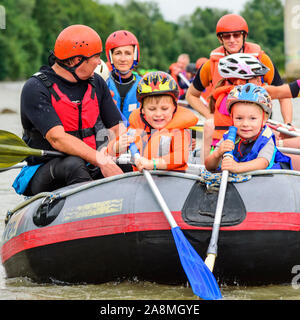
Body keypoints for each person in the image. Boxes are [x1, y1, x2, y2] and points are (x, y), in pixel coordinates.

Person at [13, 24, 127, 196]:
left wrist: (111, 149)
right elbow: (58, 139)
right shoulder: (36, 88)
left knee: (124, 164)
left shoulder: (97, 83)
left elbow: (117, 128)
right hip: (46, 169)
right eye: (95, 57)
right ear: (76, 61)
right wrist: (101, 160)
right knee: (73, 165)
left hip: (92, 162)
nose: (99, 63)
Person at [186, 13, 293, 129]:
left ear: (244, 36)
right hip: (224, 127)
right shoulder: (210, 65)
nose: (232, 40)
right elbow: (191, 95)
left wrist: (287, 123)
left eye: (236, 35)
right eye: (227, 36)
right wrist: (209, 115)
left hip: (255, 125)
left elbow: (284, 95)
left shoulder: (261, 60)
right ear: (220, 39)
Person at [107, 71, 198, 172]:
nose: (158, 114)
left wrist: (152, 164)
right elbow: (109, 151)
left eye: (164, 109)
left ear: (174, 108)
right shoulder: (135, 128)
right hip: (140, 182)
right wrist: (117, 147)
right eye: (152, 109)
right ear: (142, 110)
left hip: (172, 182)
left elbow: (180, 157)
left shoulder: (179, 131)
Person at [205, 83, 292, 173]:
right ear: (232, 118)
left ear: (264, 119)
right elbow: (209, 166)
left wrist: (237, 167)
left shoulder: (266, 137)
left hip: (264, 182)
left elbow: (263, 162)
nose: (245, 124)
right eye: (239, 118)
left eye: (252, 118)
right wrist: (217, 153)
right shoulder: (229, 137)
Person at [105, 30, 142, 124]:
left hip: (135, 136)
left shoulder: (144, 85)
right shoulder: (103, 82)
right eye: (118, 53)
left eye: (128, 53)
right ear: (110, 56)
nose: (123, 59)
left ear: (135, 55)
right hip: (108, 136)